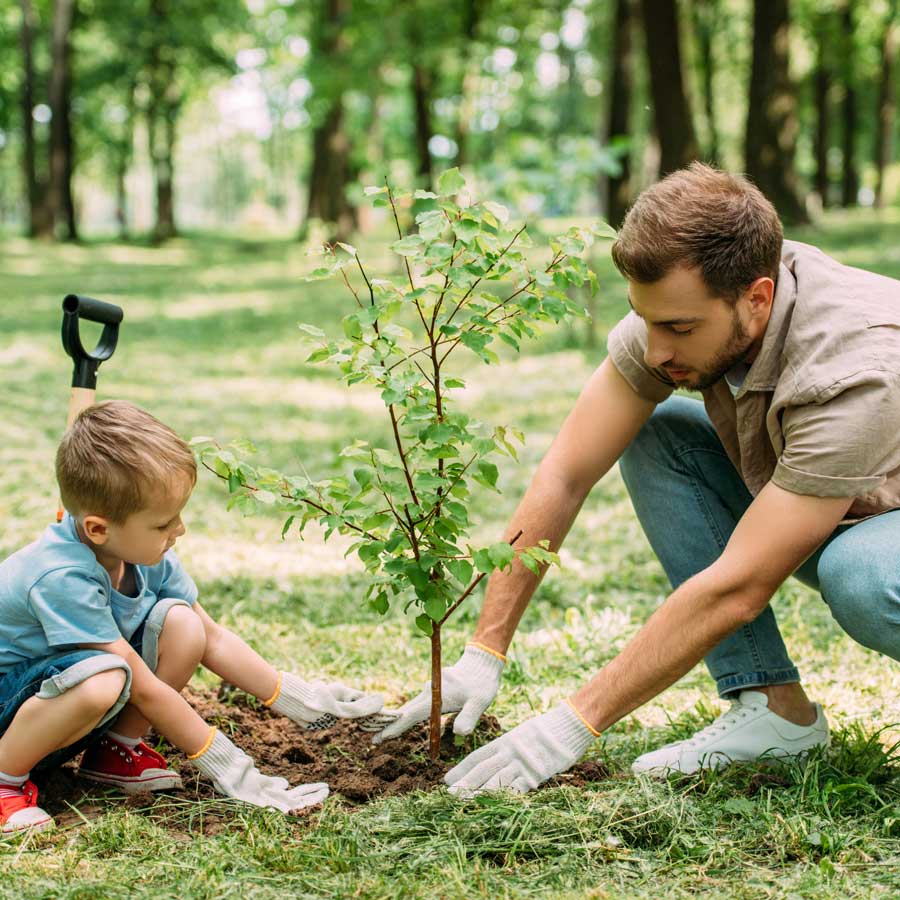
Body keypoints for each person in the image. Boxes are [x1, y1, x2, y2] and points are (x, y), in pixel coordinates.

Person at [374, 163, 900, 795]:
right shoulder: (686, 309)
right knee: (661, 431)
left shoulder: (855, 366)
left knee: (864, 578)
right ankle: (773, 712)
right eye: (646, 320)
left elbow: (739, 588)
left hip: (878, 531)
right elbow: (567, 472)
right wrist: (483, 652)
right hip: (841, 502)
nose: (654, 350)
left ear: (757, 299)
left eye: (678, 329)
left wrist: (569, 726)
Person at [0, 400, 388, 833]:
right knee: (104, 679)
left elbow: (212, 637)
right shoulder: (61, 576)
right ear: (98, 529)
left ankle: (115, 751)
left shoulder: (140, 551)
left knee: (183, 625)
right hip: (9, 706)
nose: (179, 530)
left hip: (52, 699)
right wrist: (231, 767)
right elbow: (143, 688)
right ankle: (4, 780)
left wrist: (301, 700)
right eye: (165, 522)